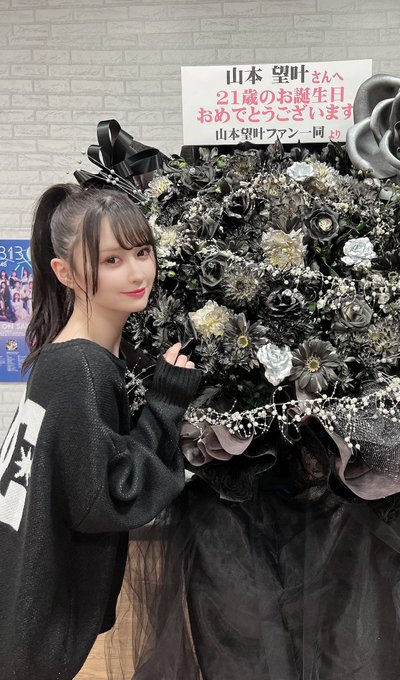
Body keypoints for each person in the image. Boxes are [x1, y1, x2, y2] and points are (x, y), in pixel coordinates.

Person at [0, 184, 201, 680]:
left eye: (142, 252)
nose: (136, 273)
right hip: (32, 614)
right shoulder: (81, 368)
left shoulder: (64, 356)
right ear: (64, 272)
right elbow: (110, 497)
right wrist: (166, 402)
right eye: (112, 260)